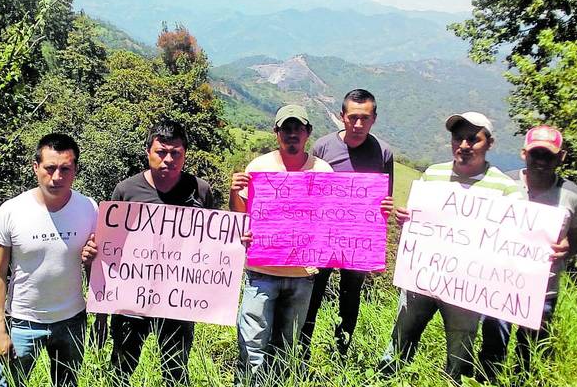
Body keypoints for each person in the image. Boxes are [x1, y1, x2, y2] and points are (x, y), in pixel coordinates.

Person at [378, 112, 521, 382]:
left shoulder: (505, 188)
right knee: (399, 340)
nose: (464, 145)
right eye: (458, 138)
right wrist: (406, 218)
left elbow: (520, 238)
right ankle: (385, 379)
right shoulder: (433, 174)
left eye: (473, 139)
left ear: (489, 143)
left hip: (467, 291)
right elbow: (416, 221)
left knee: (459, 354)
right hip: (421, 279)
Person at [101, 120, 215, 386]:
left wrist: (235, 241)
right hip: (131, 298)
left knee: (175, 369)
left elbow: (212, 241)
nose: (168, 159)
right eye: (161, 152)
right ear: (148, 152)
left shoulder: (200, 190)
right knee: (121, 367)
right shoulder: (126, 190)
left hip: (179, 298)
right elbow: (111, 244)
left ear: (185, 154)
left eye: (176, 153)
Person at [231, 105, 334, 385]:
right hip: (261, 272)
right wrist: (234, 193)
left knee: (286, 346)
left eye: (297, 129)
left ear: (307, 133)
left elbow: (333, 219)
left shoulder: (323, 172)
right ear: (276, 133)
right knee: (252, 343)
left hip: (302, 276)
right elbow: (241, 218)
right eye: (285, 129)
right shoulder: (259, 167)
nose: (291, 134)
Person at [0, 133, 98, 387]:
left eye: (65, 169)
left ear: (75, 170)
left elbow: (99, 268)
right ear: (36, 167)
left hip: (72, 320)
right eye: (50, 168)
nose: (57, 177)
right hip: (23, 322)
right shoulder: (11, 211)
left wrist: (90, 260)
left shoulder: (89, 209)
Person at [301, 89, 399, 359]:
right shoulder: (323, 147)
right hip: (323, 237)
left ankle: (340, 352)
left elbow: (384, 198)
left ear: (374, 119)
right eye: (352, 117)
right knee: (313, 293)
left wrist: (386, 209)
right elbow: (309, 191)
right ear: (341, 116)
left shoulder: (383, 153)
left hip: (358, 241)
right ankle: (301, 350)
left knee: (350, 295)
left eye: (364, 118)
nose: (358, 125)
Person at [477, 125, 577, 380]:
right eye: (536, 154)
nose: (542, 161)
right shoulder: (503, 184)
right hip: (499, 285)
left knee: (530, 356)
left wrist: (569, 247)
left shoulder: (573, 196)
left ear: (561, 157)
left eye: (549, 155)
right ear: (524, 154)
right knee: (491, 351)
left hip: (543, 291)